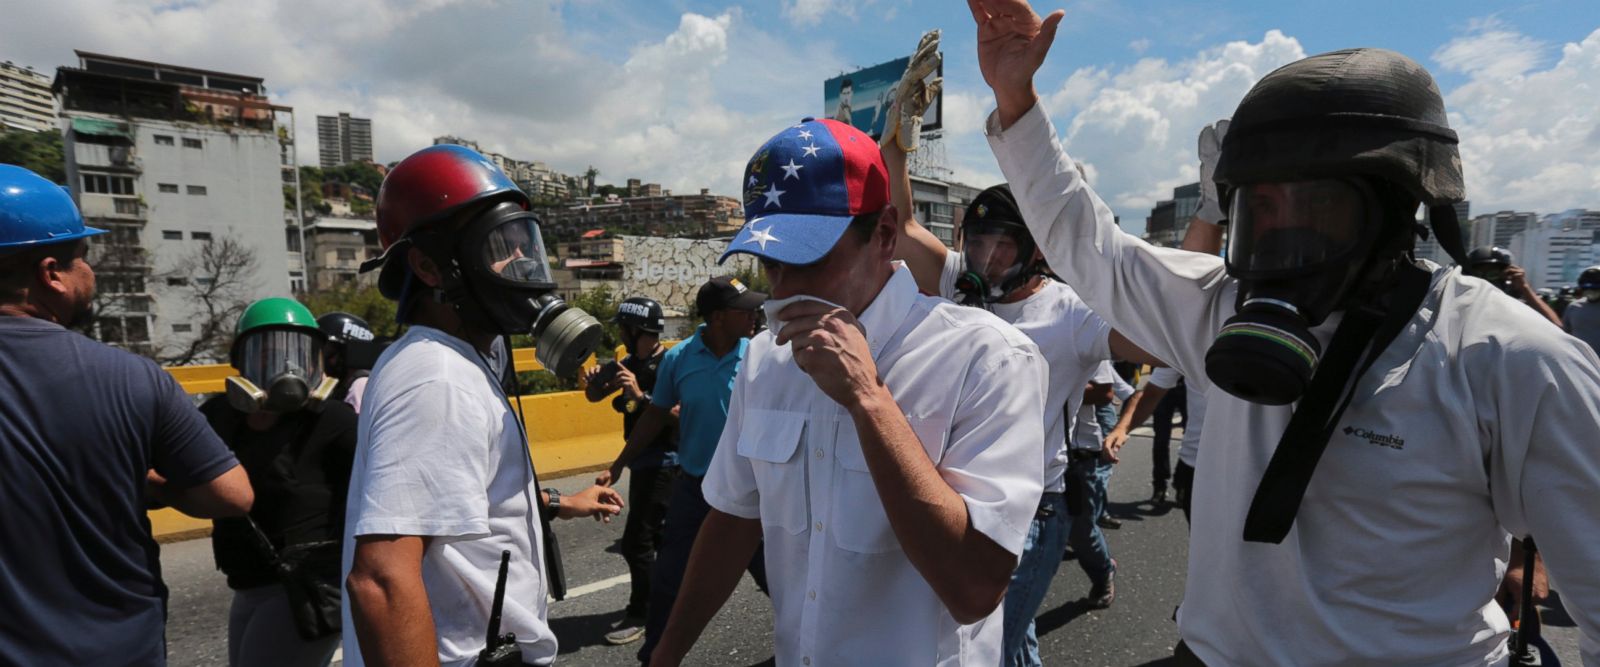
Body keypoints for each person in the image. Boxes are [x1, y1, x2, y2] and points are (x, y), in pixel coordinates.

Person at [971, 3, 1600, 663]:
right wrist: (1016, 100)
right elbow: (1093, 248)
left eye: (1314, 205)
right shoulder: (1218, 308)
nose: (1280, 233)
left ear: (1391, 207)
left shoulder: (1512, 358)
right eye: (1261, 207)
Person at [649, 116, 1048, 666]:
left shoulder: (988, 357)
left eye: (808, 259)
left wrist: (869, 399)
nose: (784, 288)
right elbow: (736, 517)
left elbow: (976, 586)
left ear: (885, 234)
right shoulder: (767, 357)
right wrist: (666, 654)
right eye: (770, 262)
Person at [878, 43, 1159, 660]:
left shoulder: (1071, 312)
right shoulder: (957, 279)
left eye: (1001, 247)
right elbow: (899, 226)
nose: (983, 261)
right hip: (953, 492)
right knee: (987, 640)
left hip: (1034, 509)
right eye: (976, 243)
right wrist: (895, 146)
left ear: (1036, 252)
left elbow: (1159, 336)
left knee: (996, 639)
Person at [341, 144, 624, 666]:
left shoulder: (465, 359)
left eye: (525, 242)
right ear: (429, 265)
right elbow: (381, 582)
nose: (520, 261)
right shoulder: (436, 377)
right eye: (500, 245)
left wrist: (557, 503)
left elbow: (466, 502)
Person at [0, 164, 254, 663]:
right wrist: (154, 488)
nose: (88, 272)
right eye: (83, 258)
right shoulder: (132, 378)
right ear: (51, 274)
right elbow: (231, 495)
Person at [605, 277, 769, 664]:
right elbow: (655, 416)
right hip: (695, 490)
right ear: (716, 317)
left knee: (778, 577)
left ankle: (810, 647)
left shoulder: (760, 354)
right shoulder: (680, 359)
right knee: (669, 579)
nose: (753, 315)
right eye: (743, 309)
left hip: (751, 491)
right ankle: (655, 656)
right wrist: (618, 465)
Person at [201, 298, 359, 667]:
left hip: (305, 589)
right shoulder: (219, 417)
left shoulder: (335, 422)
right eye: (268, 355)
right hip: (247, 583)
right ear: (242, 364)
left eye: (297, 354)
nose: (285, 369)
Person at [583, 296, 679, 645]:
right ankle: (669, 603)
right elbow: (594, 395)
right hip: (641, 462)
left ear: (637, 328)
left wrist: (640, 395)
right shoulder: (626, 362)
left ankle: (643, 613)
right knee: (658, 540)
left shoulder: (669, 363)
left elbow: (680, 415)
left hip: (667, 464)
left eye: (623, 327)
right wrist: (593, 379)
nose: (620, 334)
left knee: (638, 542)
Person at [1464, 246, 1563, 327]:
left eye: (1492, 274)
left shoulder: (1517, 306)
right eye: (1478, 275)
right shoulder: (1461, 305)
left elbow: (1556, 326)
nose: (1485, 281)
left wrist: (1525, 288)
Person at [316, 311, 379, 413]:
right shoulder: (341, 387)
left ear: (346, 354)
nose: (320, 358)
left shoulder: (360, 386)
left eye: (326, 351)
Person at [1562, 266, 1600, 355]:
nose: (1590, 292)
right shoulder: (1573, 307)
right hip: (1580, 360)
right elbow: (1565, 333)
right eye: (1587, 289)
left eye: (1595, 289)